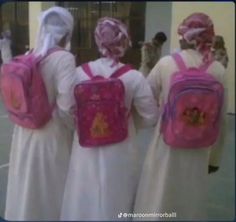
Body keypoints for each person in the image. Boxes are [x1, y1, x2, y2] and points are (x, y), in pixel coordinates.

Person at [60, 17, 159, 221]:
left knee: (84, 193)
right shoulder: (133, 77)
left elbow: (67, 110)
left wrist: (81, 126)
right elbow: (151, 116)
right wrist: (129, 123)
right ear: (124, 41)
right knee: (118, 194)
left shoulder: (79, 73)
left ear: (97, 41)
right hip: (121, 148)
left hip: (85, 147)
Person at [134, 13, 226, 221]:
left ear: (184, 36)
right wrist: (215, 159)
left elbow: (145, 99)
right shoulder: (218, 69)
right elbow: (221, 118)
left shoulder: (166, 63)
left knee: (160, 187)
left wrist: (153, 119)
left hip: (167, 141)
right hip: (201, 147)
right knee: (191, 192)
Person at [4, 6, 77, 221]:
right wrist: (74, 129)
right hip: (50, 133)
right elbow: (66, 106)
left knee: (26, 182)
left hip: (24, 129)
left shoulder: (30, 54)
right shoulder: (64, 58)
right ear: (66, 32)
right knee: (49, 187)